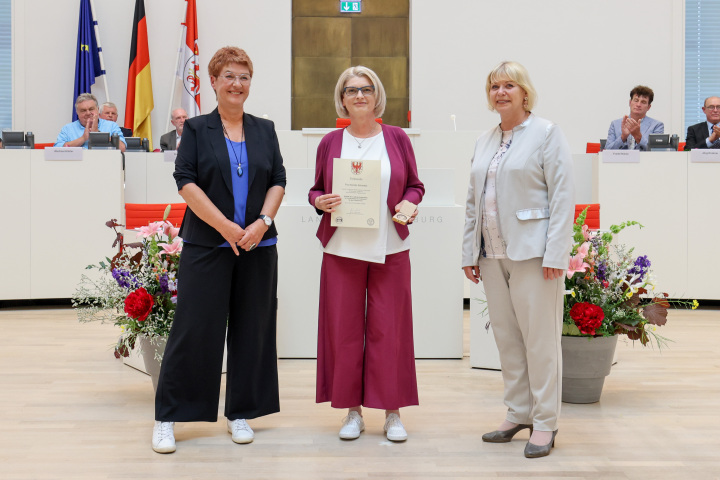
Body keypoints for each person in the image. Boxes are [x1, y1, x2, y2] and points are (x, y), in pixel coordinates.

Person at [152, 47, 286, 454]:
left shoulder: (265, 128)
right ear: (212, 81)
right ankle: (168, 417)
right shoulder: (195, 129)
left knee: (252, 328)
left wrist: (261, 222)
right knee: (195, 330)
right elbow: (185, 181)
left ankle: (241, 412)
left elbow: (278, 178)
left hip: (257, 245)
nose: (236, 84)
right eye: (228, 76)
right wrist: (227, 227)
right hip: (208, 244)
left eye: (244, 76)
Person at [461, 61, 574, 458]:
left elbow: (562, 197)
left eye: (509, 85)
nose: (501, 92)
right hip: (492, 255)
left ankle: (545, 423)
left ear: (525, 92)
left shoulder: (546, 133)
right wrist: (469, 251)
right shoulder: (484, 139)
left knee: (540, 342)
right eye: (494, 86)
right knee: (507, 340)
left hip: (534, 255)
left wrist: (557, 252)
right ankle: (518, 411)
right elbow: (474, 201)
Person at [308, 66, 424, 442]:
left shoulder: (396, 138)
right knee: (342, 331)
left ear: (377, 96)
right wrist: (319, 201)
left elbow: (415, 186)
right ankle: (352, 412)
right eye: (351, 89)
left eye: (367, 89)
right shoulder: (329, 142)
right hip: (342, 249)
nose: (360, 95)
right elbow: (315, 190)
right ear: (341, 98)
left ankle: (392, 412)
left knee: (389, 330)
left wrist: (409, 204)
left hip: (390, 246)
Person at [55, 93, 126, 151]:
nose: (88, 113)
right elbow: (57, 150)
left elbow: (122, 148)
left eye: (91, 109)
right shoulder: (68, 128)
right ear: (77, 112)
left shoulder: (111, 126)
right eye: (83, 110)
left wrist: (98, 133)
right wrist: (83, 138)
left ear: (98, 110)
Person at [605, 85, 664, 150]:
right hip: (620, 160)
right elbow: (607, 151)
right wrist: (623, 137)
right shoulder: (615, 124)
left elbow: (657, 151)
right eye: (636, 100)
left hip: (645, 160)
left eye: (643, 102)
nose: (638, 105)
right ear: (630, 103)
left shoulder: (657, 125)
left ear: (648, 107)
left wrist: (638, 136)